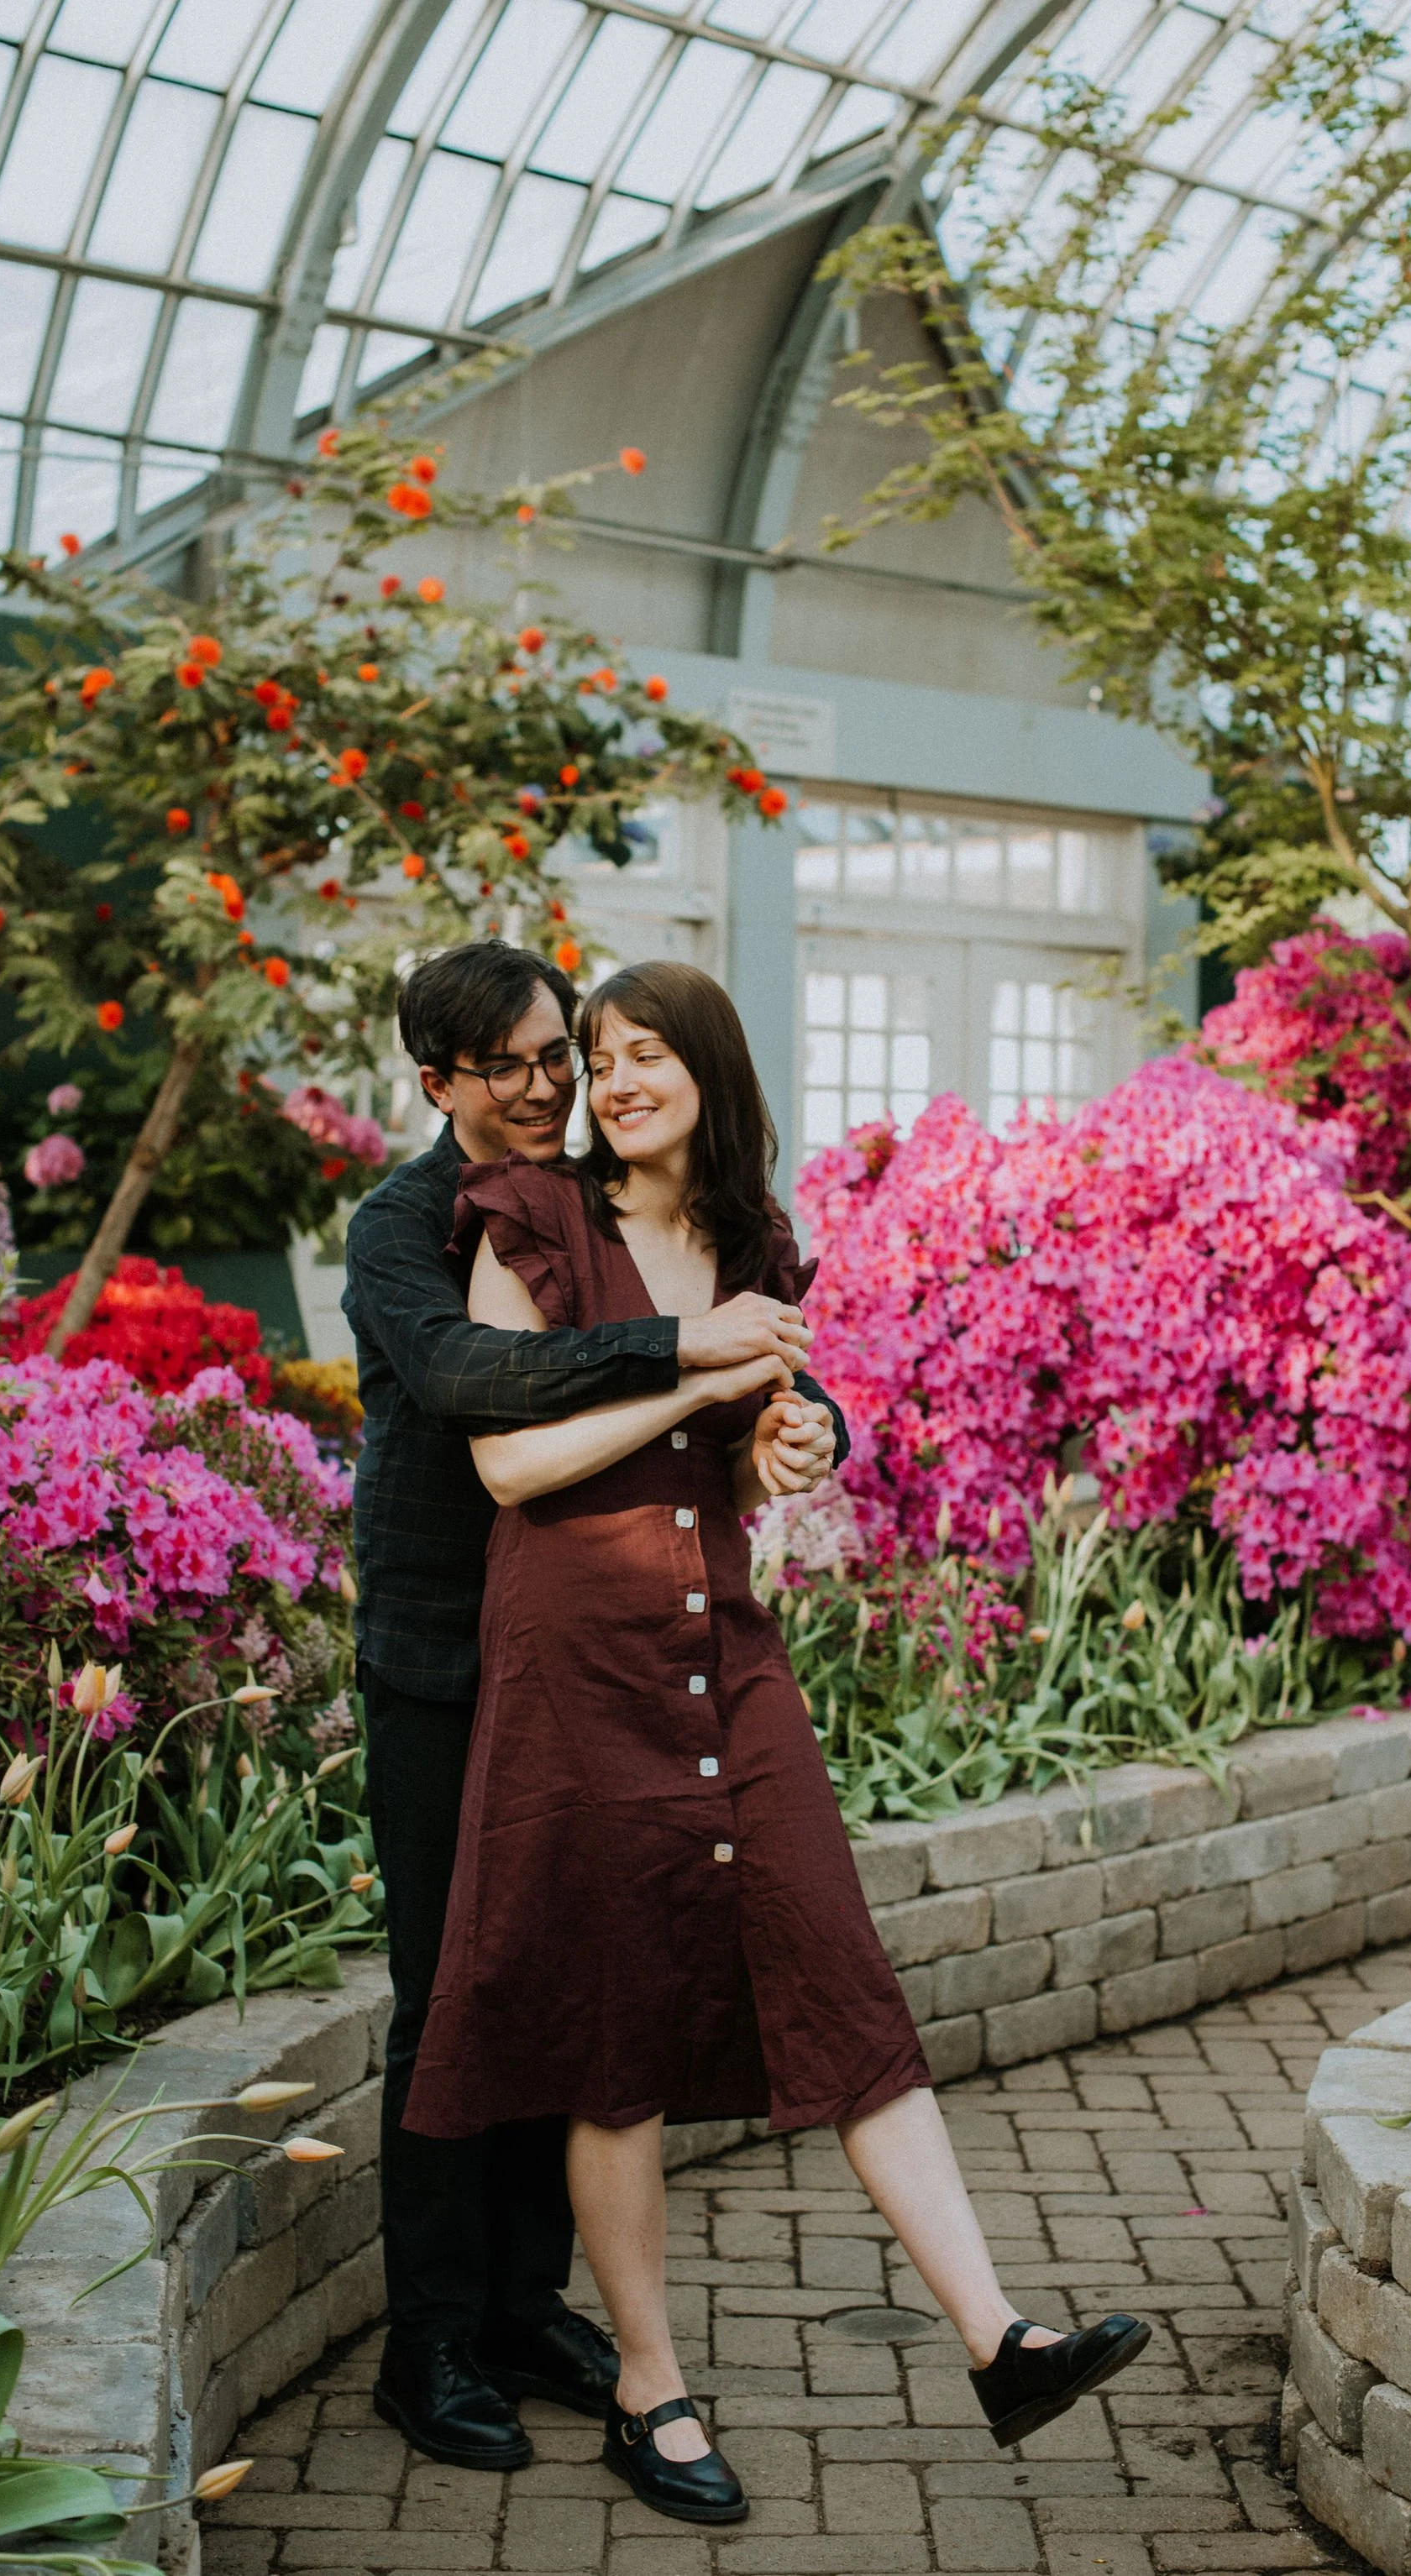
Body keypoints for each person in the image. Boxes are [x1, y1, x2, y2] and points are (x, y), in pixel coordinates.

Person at [404, 961, 1150, 2526]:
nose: (612, 1083)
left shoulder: (753, 1247)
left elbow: (733, 1471)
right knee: (620, 2043)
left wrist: (779, 1441)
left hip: (721, 1653)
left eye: (644, 1056)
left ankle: (999, 2339)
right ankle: (649, 2388)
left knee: (839, 1969)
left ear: (711, 1071)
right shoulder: (531, 1221)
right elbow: (510, 1465)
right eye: (599, 1060)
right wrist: (695, 1363)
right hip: (577, 1669)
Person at [342, 940, 847, 2474]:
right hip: (442, 1656)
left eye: (562, 1051)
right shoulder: (405, 1224)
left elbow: (739, 1322)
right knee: (453, 1995)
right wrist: (686, 1352)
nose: (557, 1083)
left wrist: (805, 1409)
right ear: (438, 1083)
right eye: (516, 1065)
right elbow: (470, 1377)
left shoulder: (591, 1194)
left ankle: (522, 2306)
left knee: (563, 1985)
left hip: (586, 1660)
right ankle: (428, 2342)